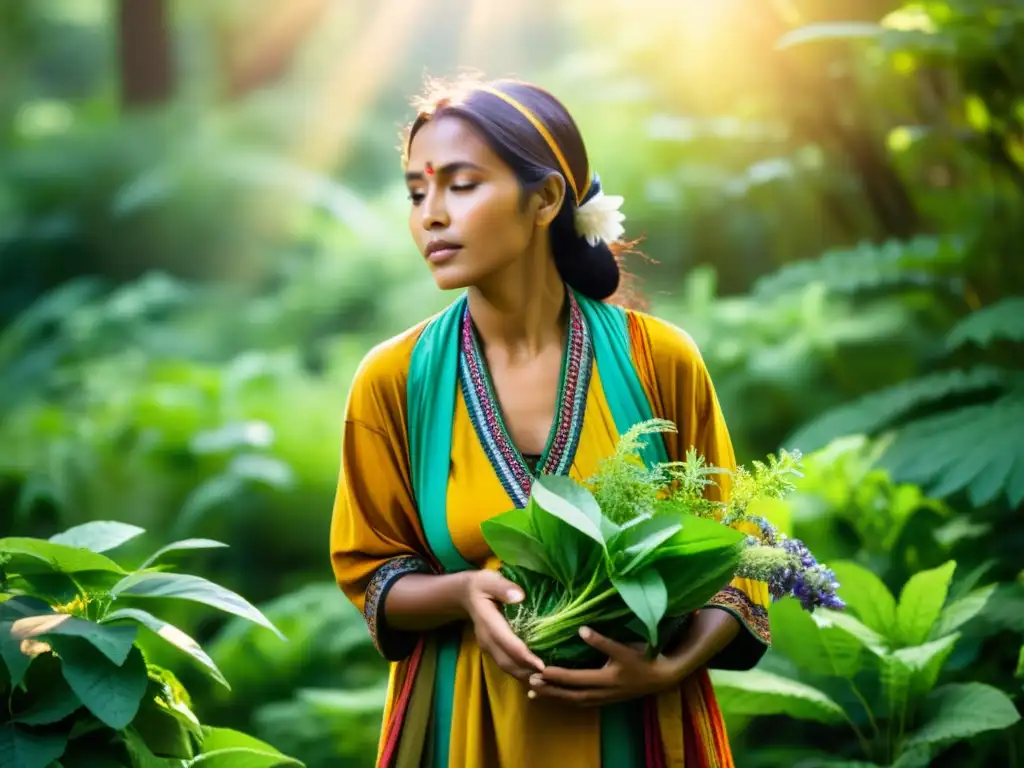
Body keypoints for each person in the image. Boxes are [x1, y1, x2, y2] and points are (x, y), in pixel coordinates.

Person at [329, 76, 771, 768]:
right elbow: (370, 570)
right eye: (417, 192)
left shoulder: (660, 362)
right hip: (466, 730)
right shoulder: (393, 379)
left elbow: (740, 553)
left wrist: (668, 667)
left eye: (461, 185)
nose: (431, 215)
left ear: (545, 199)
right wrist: (462, 593)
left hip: (643, 730)